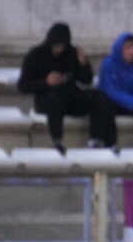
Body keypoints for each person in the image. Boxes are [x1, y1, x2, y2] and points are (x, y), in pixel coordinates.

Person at [16, 22, 106, 154]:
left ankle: (95, 140)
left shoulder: (71, 53)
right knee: (55, 96)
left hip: (71, 97)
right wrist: (46, 82)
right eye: (57, 45)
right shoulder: (35, 55)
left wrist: (83, 64)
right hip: (47, 99)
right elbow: (23, 85)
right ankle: (57, 141)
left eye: (62, 45)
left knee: (98, 97)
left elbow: (86, 80)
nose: (60, 49)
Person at [96, 32, 133, 148]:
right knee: (105, 106)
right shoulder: (108, 63)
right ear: (120, 48)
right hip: (114, 102)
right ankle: (110, 144)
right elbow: (110, 90)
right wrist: (132, 102)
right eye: (128, 47)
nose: (132, 51)